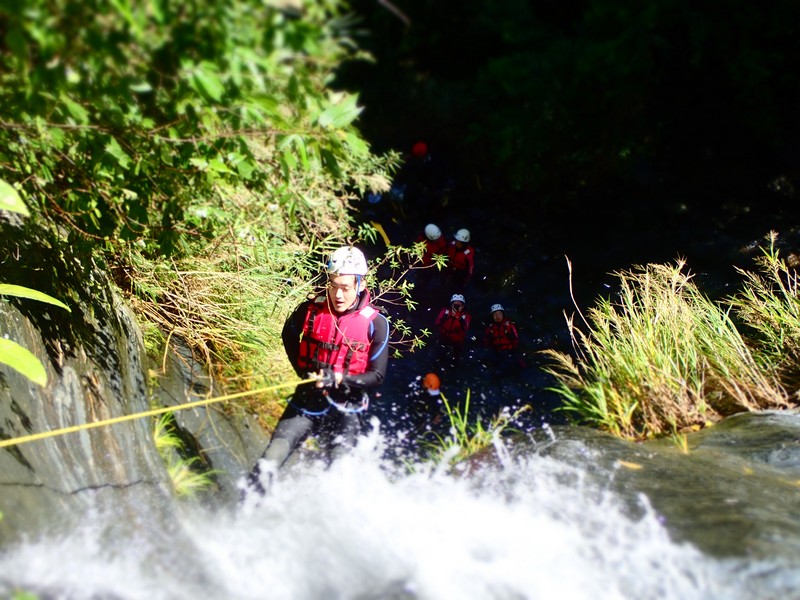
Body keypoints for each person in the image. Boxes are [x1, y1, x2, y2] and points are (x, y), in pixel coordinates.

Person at [243, 246, 390, 496]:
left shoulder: (376, 323)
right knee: (269, 462)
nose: (338, 294)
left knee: (336, 481)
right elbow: (288, 334)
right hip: (307, 401)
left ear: (360, 284)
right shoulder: (310, 308)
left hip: (346, 408)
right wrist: (302, 371)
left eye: (345, 287)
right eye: (333, 285)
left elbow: (377, 375)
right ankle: (242, 516)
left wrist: (341, 378)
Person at [483, 303, 521, 380]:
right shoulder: (490, 328)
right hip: (496, 352)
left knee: (514, 368)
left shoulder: (509, 326)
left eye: (499, 314)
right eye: (495, 315)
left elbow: (516, 339)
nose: (497, 316)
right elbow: (485, 342)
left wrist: (509, 335)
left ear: (503, 315)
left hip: (509, 352)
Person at [433, 293, 471, 369]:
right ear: (451, 305)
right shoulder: (445, 312)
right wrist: (445, 317)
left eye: (459, 305)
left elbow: (465, 328)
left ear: (462, 306)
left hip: (456, 343)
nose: (457, 307)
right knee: (439, 357)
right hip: (443, 339)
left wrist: (460, 319)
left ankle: (452, 371)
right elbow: (437, 323)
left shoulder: (465, 316)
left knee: (454, 361)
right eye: (455, 304)